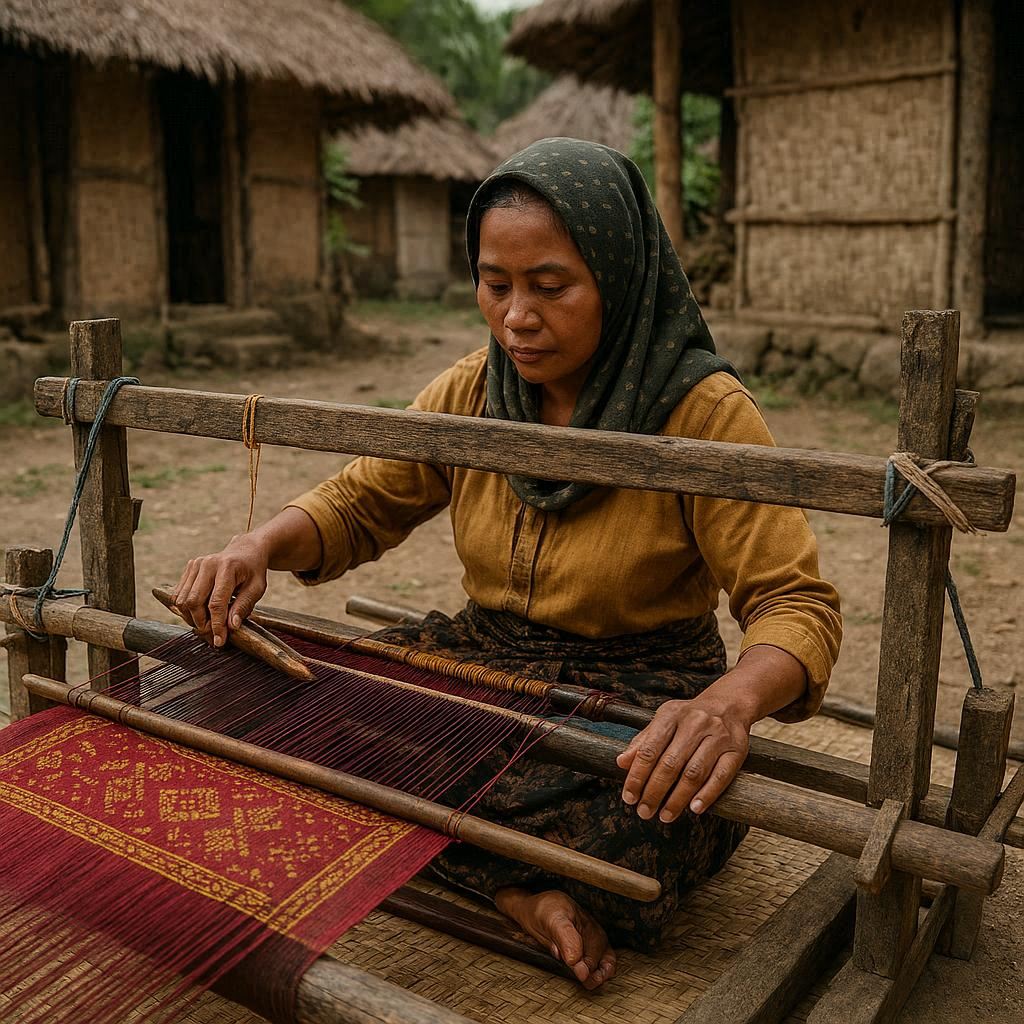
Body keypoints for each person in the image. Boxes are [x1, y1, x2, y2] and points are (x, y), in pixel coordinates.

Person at [172, 138, 842, 991]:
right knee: (253, 704)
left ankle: (480, 860)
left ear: (619, 277)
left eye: (550, 287)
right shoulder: (473, 390)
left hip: (630, 690)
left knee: (651, 813)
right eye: (496, 285)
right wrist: (256, 546)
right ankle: (519, 882)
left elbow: (794, 602)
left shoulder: (703, 413)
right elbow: (360, 501)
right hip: (484, 662)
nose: (517, 316)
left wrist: (724, 706)